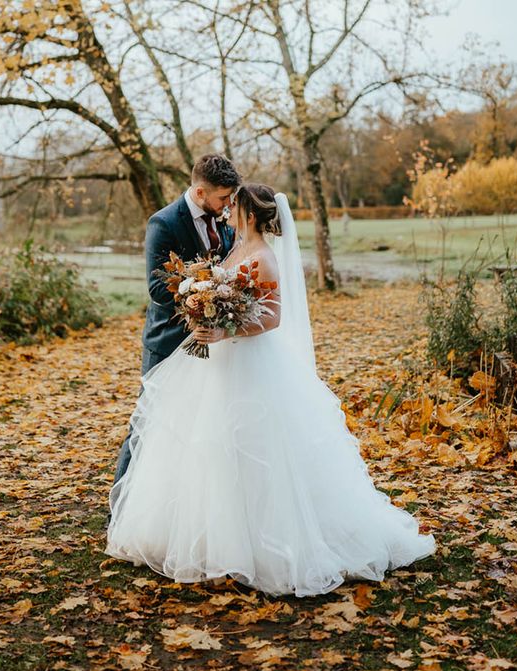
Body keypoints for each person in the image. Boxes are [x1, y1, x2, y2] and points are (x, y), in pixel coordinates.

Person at [105, 184, 436, 597]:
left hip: (252, 362)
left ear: (250, 213)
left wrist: (224, 329)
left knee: (253, 449)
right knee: (210, 445)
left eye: (234, 207)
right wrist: (206, 311)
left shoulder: (262, 256)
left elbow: (274, 318)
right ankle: (211, 535)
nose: (228, 212)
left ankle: (260, 546)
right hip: (223, 362)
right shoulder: (237, 246)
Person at [113, 154, 241, 487]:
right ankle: (122, 506)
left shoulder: (223, 220)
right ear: (200, 193)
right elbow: (157, 285)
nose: (228, 205)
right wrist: (205, 290)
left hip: (212, 341)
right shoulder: (164, 223)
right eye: (223, 198)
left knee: (198, 424)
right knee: (148, 421)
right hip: (168, 340)